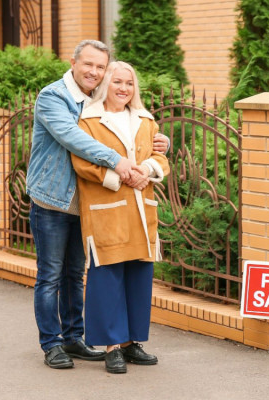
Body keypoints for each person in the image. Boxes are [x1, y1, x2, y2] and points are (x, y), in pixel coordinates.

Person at [26, 39, 169, 369]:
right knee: (50, 275)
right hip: (53, 199)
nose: (94, 71)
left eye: (100, 67)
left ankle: (74, 338)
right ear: (73, 62)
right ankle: (52, 344)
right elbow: (75, 139)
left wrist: (160, 141)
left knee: (75, 275)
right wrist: (119, 163)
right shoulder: (53, 97)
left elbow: (133, 130)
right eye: (88, 64)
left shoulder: (99, 98)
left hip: (89, 204)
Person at [71, 61, 169, 374]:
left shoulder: (145, 119)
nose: (124, 89)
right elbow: (81, 162)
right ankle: (112, 345)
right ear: (105, 85)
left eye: (129, 83)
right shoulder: (89, 120)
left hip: (141, 207)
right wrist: (119, 177)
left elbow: (159, 158)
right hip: (106, 207)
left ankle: (132, 343)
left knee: (139, 275)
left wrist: (148, 172)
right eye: (117, 82)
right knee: (108, 276)